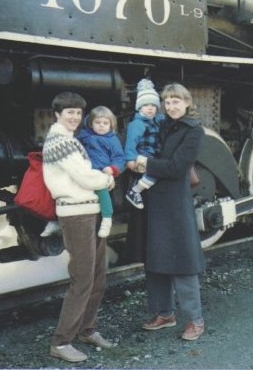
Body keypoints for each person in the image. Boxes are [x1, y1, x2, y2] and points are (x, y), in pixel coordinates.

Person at [42, 92, 115, 363]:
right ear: (57, 114)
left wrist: (99, 180)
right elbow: (85, 177)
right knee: (83, 278)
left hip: (89, 211)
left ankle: (87, 329)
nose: (74, 117)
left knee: (97, 276)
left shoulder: (70, 140)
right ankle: (61, 342)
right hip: (76, 216)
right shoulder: (60, 142)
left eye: (77, 112)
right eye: (69, 112)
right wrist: (106, 179)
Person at [135, 83, 206, 341]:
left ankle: (196, 320)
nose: (171, 106)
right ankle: (164, 314)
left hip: (175, 203)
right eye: (167, 102)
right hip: (153, 200)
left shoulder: (194, 130)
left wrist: (146, 163)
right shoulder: (160, 124)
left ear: (187, 103)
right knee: (155, 261)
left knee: (183, 263)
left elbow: (177, 167)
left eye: (176, 101)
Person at [77, 106, 126, 237]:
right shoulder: (84, 135)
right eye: (97, 122)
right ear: (90, 123)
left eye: (105, 123)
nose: (101, 126)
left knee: (102, 192)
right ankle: (55, 218)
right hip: (85, 172)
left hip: (101, 172)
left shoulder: (112, 140)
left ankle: (107, 218)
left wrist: (112, 169)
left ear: (111, 125)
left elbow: (119, 157)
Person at [124, 78, 164, 209]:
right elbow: (131, 142)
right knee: (155, 173)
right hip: (144, 155)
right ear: (140, 107)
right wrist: (130, 159)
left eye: (153, 105)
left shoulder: (157, 120)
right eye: (146, 105)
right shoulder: (137, 124)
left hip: (154, 155)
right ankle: (135, 191)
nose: (150, 108)